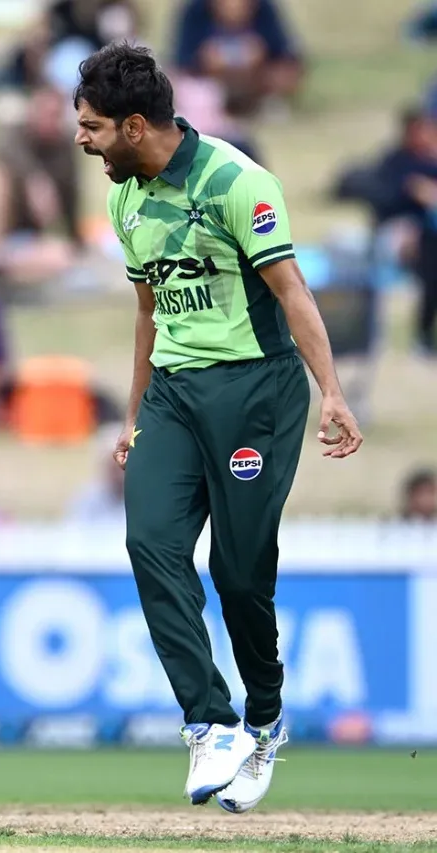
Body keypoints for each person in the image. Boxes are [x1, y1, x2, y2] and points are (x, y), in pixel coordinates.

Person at [73, 42, 362, 813]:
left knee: (239, 576)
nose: (82, 139)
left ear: (136, 126)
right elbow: (148, 311)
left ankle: (264, 720)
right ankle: (210, 721)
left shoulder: (237, 182)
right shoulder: (125, 200)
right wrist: (134, 414)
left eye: (93, 126)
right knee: (149, 542)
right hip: (173, 394)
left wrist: (332, 392)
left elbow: (293, 292)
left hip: (255, 391)